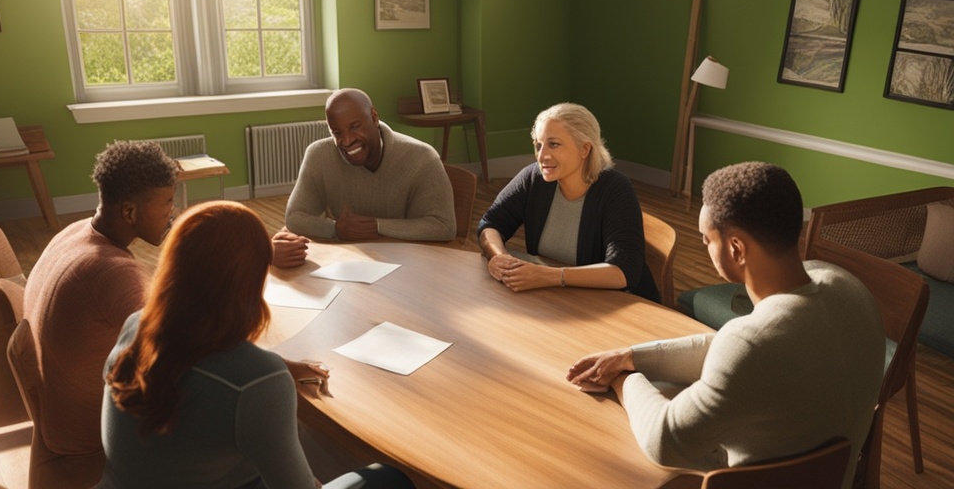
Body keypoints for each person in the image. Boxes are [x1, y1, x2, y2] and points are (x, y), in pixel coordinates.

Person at [566, 161, 885, 488]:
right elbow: (734, 350)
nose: (704, 246)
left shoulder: (753, 344)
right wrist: (630, 355)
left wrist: (623, 378)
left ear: (736, 248)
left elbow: (664, 441)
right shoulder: (848, 288)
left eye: (706, 239)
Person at [98, 201, 413, 489]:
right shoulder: (258, 382)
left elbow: (195, 364)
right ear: (250, 280)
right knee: (391, 477)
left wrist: (279, 367)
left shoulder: (135, 325)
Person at [23, 140, 179, 484]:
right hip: (93, 441)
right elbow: (175, 351)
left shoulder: (75, 231)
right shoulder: (113, 272)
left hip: (59, 417)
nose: (173, 211)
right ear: (129, 212)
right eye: (167, 202)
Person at [477, 102, 659, 302]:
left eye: (553, 144)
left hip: (620, 306)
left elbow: (624, 270)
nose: (542, 155)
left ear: (585, 149)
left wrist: (550, 276)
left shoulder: (615, 189)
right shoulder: (533, 178)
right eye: (539, 145)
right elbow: (492, 223)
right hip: (558, 300)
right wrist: (498, 256)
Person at [284, 88, 457, 250]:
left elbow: (443, 226)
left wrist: (376, 226)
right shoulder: (318, 155)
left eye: (354, 126)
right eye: (337, 132)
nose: (347, 141)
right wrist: (335, 228)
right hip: (348, 261)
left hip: (410, 265)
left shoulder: (422, 158)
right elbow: (295, 216)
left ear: (374, 117)